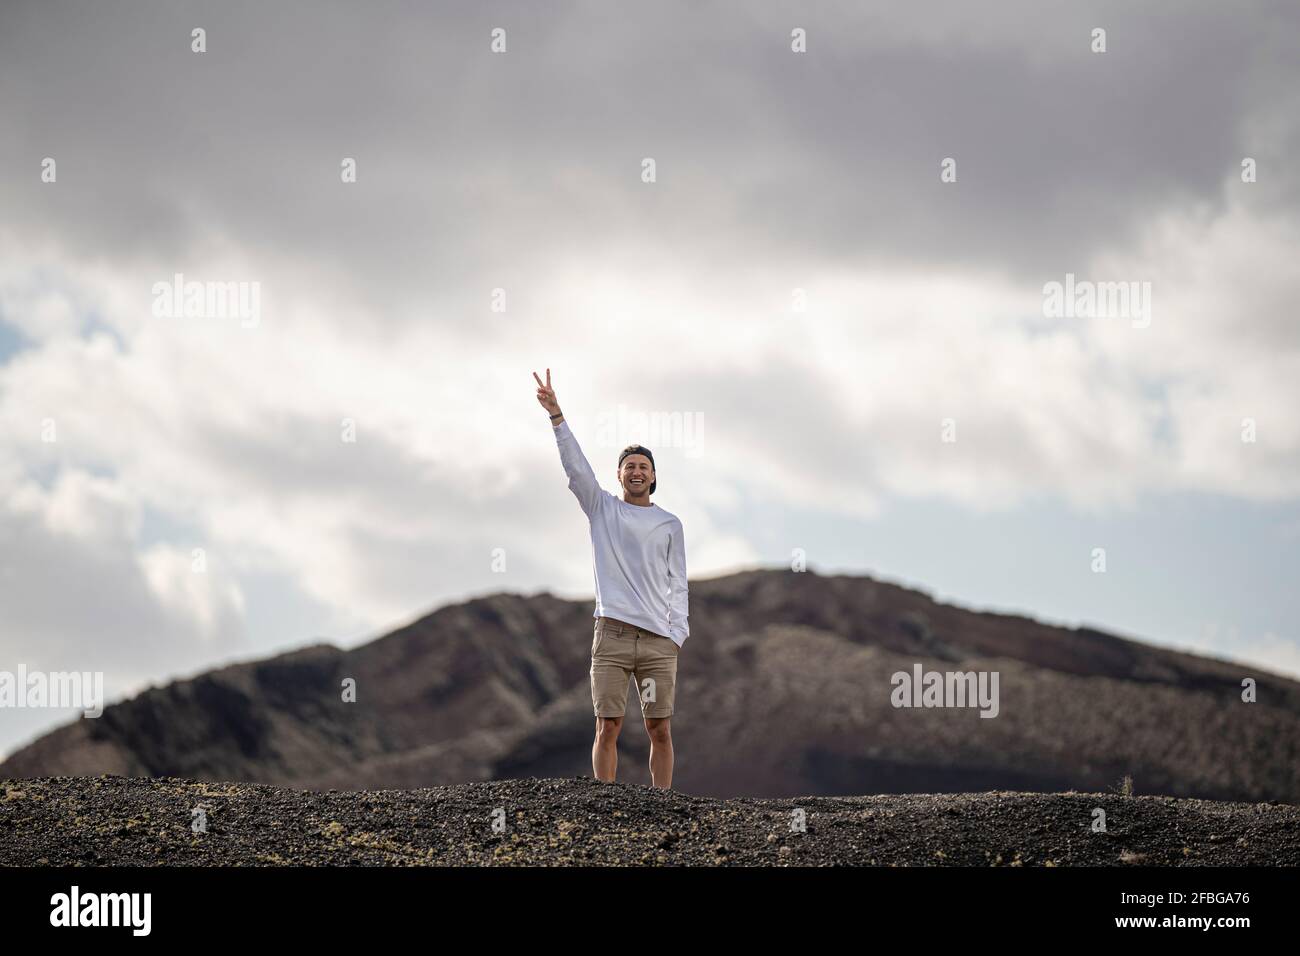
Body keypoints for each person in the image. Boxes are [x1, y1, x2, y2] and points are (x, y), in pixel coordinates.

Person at [533, 368, 688, 788]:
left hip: (659, 640)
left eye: (644, 466)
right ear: (619, 475)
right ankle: (606, 802)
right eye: (629, 466)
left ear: (653, 476)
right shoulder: (602, 509)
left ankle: (663, 801)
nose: (636, 472)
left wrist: (677, 632)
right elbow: (577, 470)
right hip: (613, 635)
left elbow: (680, 582)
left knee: (660, 729)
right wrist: (557, 416)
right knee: (608, 724)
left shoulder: (670, 523)